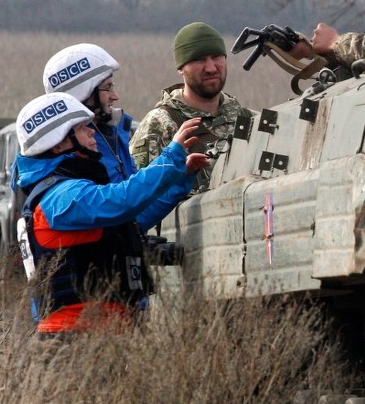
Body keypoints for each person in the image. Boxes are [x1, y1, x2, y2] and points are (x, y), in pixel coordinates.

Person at [14, 92, 209, 334]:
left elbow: (133, 219)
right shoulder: (60, 196)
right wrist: (171, 157)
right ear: (58, 143)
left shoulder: (65, 192)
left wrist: (180, 177)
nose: (92, 132)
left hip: (98, 336)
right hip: (74, 344)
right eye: (82, 128)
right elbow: (122, 200)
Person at [130, 22, 252, 192]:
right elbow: (137, 196)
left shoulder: (249, 120)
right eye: (199, 59)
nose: (211, 68)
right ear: (181, 68)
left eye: (216, 57)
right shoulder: (159, 125)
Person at [42, 43, 136, 183]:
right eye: (107, 88)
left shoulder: (116, 132)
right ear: (84, 94)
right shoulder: (72, 150)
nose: (115, 96)